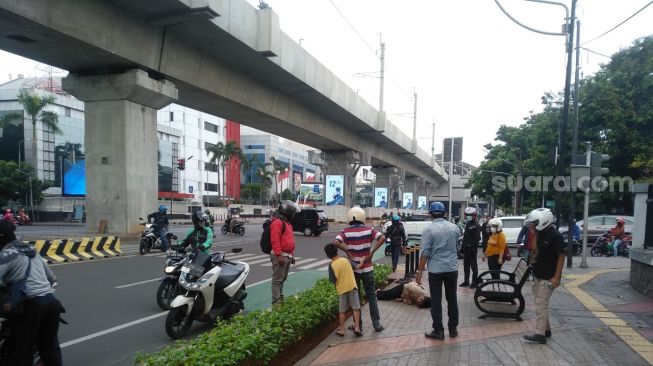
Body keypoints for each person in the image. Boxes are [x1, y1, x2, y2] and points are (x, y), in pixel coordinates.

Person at [0, 220, 62, 365]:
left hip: (31, 305)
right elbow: (52, 277)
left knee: (22, 352)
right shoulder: (31, 250)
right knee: (49, 350)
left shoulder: (6, 254)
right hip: (52, 303)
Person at [334, 206, 386, 332]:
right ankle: (376, 323)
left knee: (355, 299)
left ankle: (358, 325)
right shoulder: (369, 229)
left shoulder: (345, 231)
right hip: (367, 268)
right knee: (371, 296)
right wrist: (372, 252)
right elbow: (382, 238)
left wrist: (348, 251)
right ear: (362, 217)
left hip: (354, 271)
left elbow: (336, 242)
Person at [415, 201, 460, 340]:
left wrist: (420, 271)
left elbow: (425, 253)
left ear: (430, 214)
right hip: (452, 268)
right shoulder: (455, 228)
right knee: (452, 298)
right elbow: (457, 246)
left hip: (436, 270)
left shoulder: (429, 230)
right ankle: (453, 329)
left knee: (436, 300)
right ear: (444, 213)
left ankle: (438, 330)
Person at [523, 208, 565, 344]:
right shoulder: (541, 233)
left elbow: (561, 257)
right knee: (540, 303)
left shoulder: (556, 236)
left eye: (535, 223)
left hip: (549, 276)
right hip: (538, 273)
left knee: (541, 304)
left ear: (543, 221)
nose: (533, 226)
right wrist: (534, 234)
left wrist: (557, 277)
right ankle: (546, 329)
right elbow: (534, 249)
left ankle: (539, 334)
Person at [324, 243, 362, 337]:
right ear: (337, 251)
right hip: (352, 286)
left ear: (328, 255)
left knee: (342, 311)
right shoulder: (345, 259)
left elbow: (333, 280)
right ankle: (357, 327)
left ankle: (342, 330)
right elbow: (357, 267)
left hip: (341, 289)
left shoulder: (331, 265)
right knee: (355, 308)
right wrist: (362, 260)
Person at [269, 200, 299, 305]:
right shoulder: (277, 222)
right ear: (287, 212)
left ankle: (280, 297)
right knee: (277, 280)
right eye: (292, 212)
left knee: (283, 278)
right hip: (280, 255)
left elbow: (289, 240)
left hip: (287, 255)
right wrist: (278, 255)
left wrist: (292, 255)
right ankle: (276, 301)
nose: (293, 215)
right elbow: (275, 240)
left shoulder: (287, 223)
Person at [460, 207, 481, 288]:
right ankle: (466, 281)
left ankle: (474, 282)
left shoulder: (476, 225)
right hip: (466, 249)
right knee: (466, 266)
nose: (468, 216)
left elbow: (477, 238)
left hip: (472, 249)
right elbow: (465, 238)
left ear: (474, 215)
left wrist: (473, 247)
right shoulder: (468, 224)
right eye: (467, 215)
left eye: (470, 215)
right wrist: (462, 249)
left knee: (474, 267)